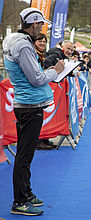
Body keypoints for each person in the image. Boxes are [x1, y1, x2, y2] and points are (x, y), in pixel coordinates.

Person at [2, 7, 64, 216]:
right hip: (30, 106)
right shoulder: (23, 46)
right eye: (41, 24)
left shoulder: (14, 40)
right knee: (25, 156)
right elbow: (36, 79)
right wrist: (54, 71)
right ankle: (19, 201)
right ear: (35, 24)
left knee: (25, 154)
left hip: (26, 104)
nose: (42, 29)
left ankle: (26, 193)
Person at [34, 33, 57, 150]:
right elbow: (35, 75)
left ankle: (43, 138)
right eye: (40, 41)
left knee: (41, 117)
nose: (42, 43)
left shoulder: (41, 55)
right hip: (33, 94)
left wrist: (47, 71)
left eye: (44, 41)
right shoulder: (32, 54)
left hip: (40, 92)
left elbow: (39, 72)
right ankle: (37, 141)